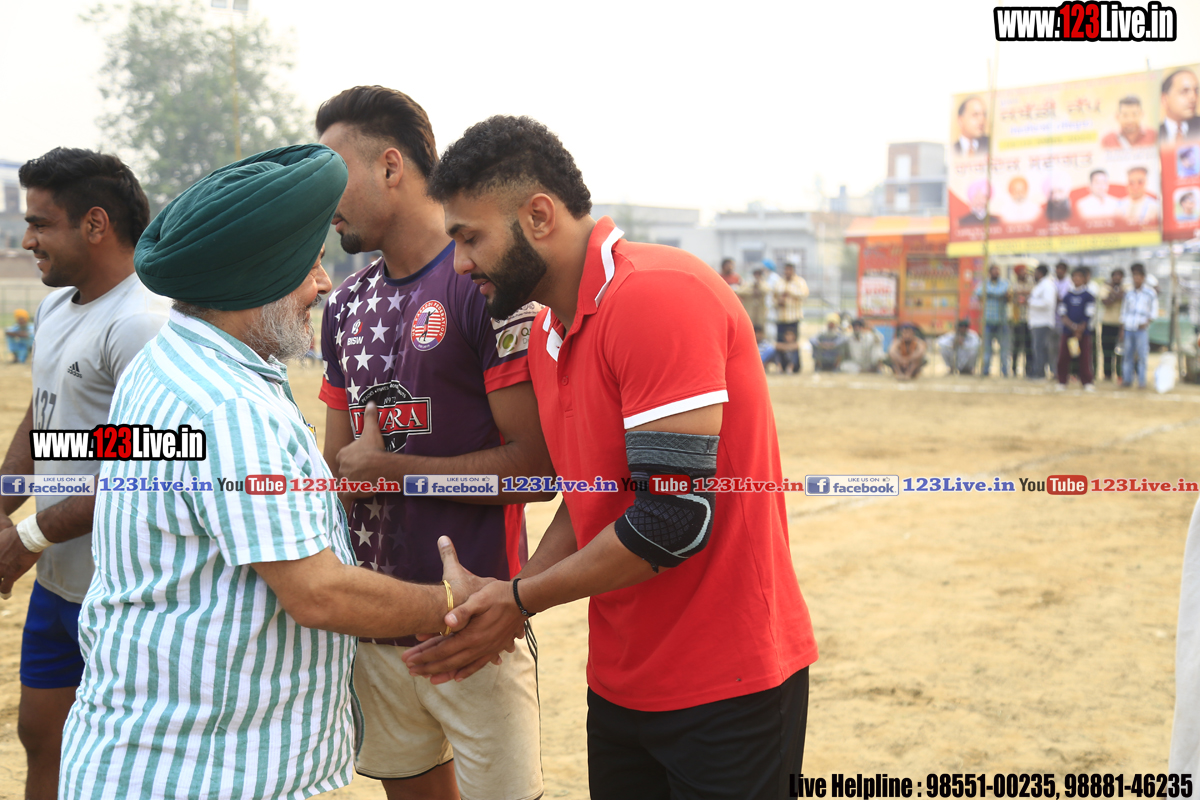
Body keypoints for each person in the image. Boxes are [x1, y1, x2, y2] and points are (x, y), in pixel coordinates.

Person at [57, 145, 493, 800]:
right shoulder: (229, 407)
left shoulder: (165, 362)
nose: (323, 285)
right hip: (207, 773)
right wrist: (451, 603)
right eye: (308, 265)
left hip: (151, 755)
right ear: (254, 280)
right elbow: (317, 594)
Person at [404, 115, 818, 800]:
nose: (461, 263)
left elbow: (672, 519)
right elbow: (592, 497)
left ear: (539, 216)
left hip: (730, 682)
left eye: (470, 237)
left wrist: (518, 598)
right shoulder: (549, 331)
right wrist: (511, 597)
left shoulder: (657, 295)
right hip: (622, 683)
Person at [313, 86, 549, 800]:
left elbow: (539, 470)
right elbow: (338, 469)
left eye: (333, 174)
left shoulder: (485, 285)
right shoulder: (345, 305)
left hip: (475, 623)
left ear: (390, 167)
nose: (323, 199)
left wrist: (395, 471)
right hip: (372, 629)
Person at [0, 148, 169, 800]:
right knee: (42, 739)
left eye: (40, 223)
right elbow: (43, 418)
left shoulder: (141, 323)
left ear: (95, 223)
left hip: (127, 597)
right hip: (58, 582)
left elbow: (142, 469)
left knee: (123, 771)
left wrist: (27, 536)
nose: (27, 241)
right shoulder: (57, 307)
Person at [1056, 266, 1096, 391]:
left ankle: (1087, 382)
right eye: (1074, 276)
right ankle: (1062, 381)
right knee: (1064, 357)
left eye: (1080, 276)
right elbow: (1062, 314)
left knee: (1084, 358)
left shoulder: (1088, 296)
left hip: (1084, 333)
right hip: (1068, 332)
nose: (1077, 279)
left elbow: (1089, 314)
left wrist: (1080, 329)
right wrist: (1073, 327)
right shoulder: (1067, 296)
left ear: (1085, 279)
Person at [1120, 262, 1158, 389]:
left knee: (1142, 356)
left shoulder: (1150, 293)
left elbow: (1154, 311)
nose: (1136, 279)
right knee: (1127, 355)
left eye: (1139, 277)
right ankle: (1127, 380)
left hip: (1141, 329)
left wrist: (1146, 322)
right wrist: (1122, 327)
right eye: (1134, 276)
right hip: (1128, 327)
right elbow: (1124, 311)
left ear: (1143, 278)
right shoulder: (1128, 293)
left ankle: (1142, 381)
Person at [976, 264, 1011, 376]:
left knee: (1004, 349)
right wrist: (998, 294)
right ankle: (985, 371)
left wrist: (989, 293)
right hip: (988, 321)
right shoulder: (984, 283)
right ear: (989, 272)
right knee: (986, 349)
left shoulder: (1004, 283)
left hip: (1002, 321)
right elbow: (978, 292)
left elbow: (1003, 291)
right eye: (994, 270)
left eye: (998, 270)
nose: (996, 272)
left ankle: (1005, 372)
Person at [774, 260, 808, 369]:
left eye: (790, 269)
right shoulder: (779, 282)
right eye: (786, 269)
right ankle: (781, 366)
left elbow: (804, 294)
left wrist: (789, 292)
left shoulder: (799, 282)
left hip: (793, 318)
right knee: (780, 343)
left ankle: (794, 366)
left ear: (793, 270)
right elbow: (773, 297)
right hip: (781, 318)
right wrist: (778, 302)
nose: (787, 272)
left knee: (794, 344)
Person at [1028, 263, 1057, 380]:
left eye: (1035, 273)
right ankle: (1038, 371)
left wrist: (1030, 302)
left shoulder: (1048, 285)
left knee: (1040, 349)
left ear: (1040, 273)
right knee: (1038, 348)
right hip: (1036, 322)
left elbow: (1048, 303)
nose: (1033, 275)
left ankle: (1040, 373)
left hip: (1043, 323)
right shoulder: (1040, 285)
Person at [1097, 268, 1126, 381]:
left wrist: (1112, 292)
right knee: (1107, 351)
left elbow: (1124, 296)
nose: (1117, 278)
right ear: (1112, 277)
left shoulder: (1126, 287)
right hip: (1107, 324)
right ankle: (1107, 375)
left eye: (1119, 275)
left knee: (1120, 352)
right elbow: (1106, 302)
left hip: (1121, 325)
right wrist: (1116, 294)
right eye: (1115, 275)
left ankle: (1120, 375)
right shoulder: (1105, 287)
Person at [1159, 68, 1200, 142]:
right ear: (1164, 99)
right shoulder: (1153, 135)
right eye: (1184, 91)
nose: (1193, 97)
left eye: (1196, 91)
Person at [1009, 264, 1035, 376]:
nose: (1024, 273)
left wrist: (1022, 293)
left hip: (1029, 319)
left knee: (1029, 345)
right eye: (1022, 271)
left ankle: (1028, 369)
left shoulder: (1031, 283)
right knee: (1017, 345)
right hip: (1018, 319)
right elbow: (1011, 296)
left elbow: (1033, 293)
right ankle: (1014, 368)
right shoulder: (1013, 284)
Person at [735, 266, 770, 337]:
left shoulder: (764, 284)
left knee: (761, 331)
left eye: (759, 274)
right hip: (749, 313)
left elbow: (766, 290)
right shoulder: (748, 284)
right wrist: (752, 291)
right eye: (756, 274)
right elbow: (739, 291)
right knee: (748, 331)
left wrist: (759, 285)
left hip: (760, 314)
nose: (757, 276)